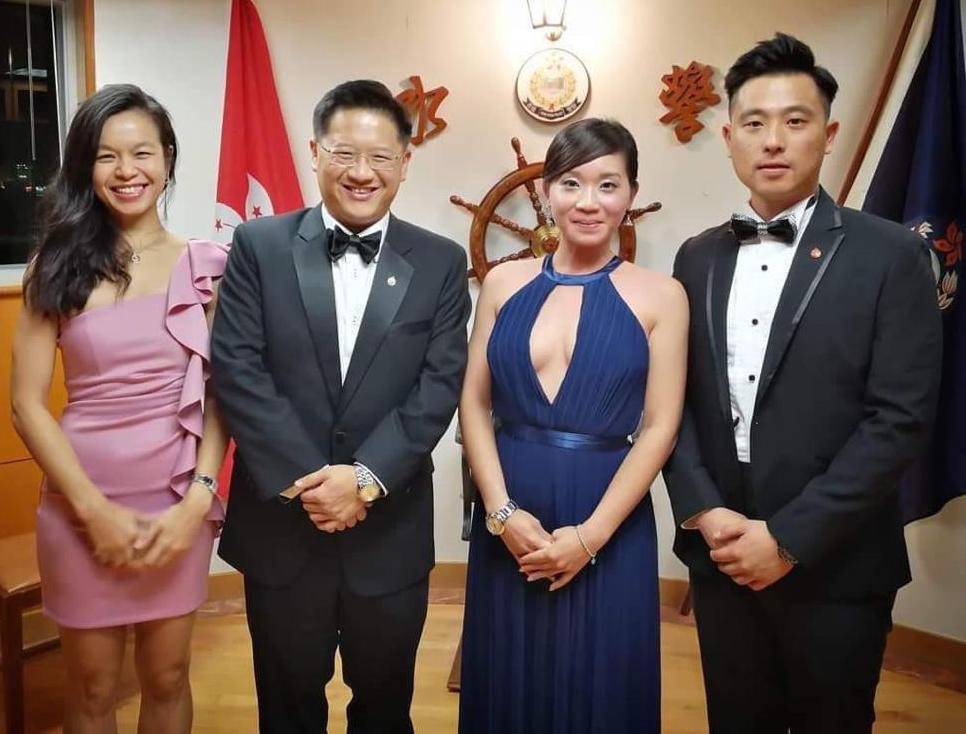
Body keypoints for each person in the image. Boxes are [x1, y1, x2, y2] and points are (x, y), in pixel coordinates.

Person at [663, 33, 942, 734]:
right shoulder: (695, 258)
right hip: (722, 555)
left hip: (838, 562)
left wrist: (787, 537)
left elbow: (900, 418)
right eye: (754, 123)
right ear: (729, 137)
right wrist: (704, 510)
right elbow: (675, 403)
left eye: (795, 120)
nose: (773, 140)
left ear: (829, 133)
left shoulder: (893, 254)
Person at [211, 79, 471, 734]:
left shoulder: (440, 261)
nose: (362, 172)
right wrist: (314, 483)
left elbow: (439, 383)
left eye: (380, 156)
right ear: (314, 153)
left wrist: (364, 479)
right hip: (282, 529)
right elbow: (238, 368)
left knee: (384, 712)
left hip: (389, 530)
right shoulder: (258, 246)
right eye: (344, 153)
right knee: (286, 712)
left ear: (405, 162)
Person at [458, 118, 689, 734]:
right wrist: (501, 513)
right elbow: (473, 403)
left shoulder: (663, 296)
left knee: (601, 682)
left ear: (632, 193)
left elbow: (661, 426)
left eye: (608, 184)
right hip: (511, 513)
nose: (589, 202)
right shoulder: (502, 283)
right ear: (548, 190)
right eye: (571, 183)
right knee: (508, 676)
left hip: (609, 516)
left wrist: (591, 536)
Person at [11, 84, 228, 733]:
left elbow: (221, 395)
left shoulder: (207, 265)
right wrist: (94, 511)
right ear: (86, 166)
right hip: (80, 506)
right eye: (107, 155)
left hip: (175, 504)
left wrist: (198, 499)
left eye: (141, 152)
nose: (126, 170)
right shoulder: (53, 267)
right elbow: (26, 405)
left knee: (167, 676)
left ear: (167, 158)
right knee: (92, 688)